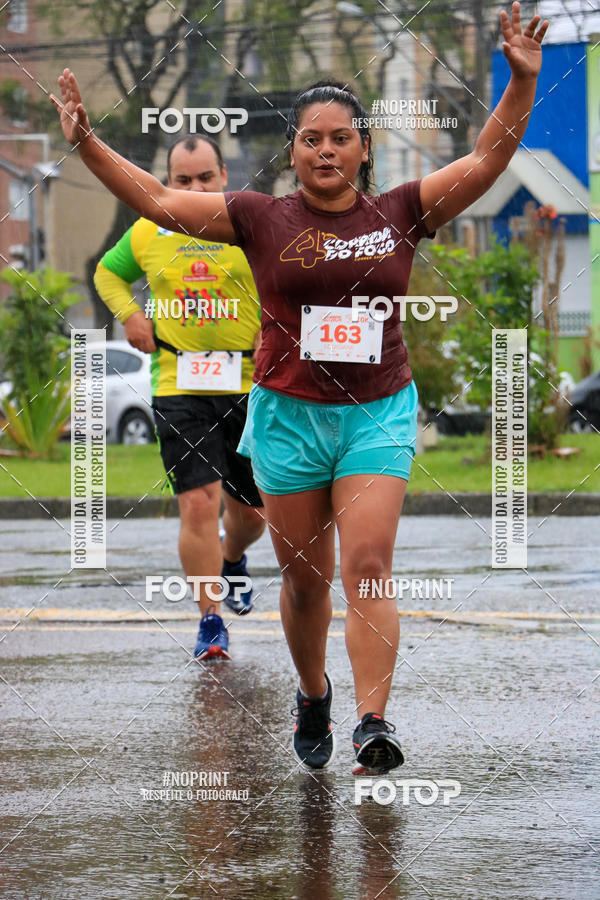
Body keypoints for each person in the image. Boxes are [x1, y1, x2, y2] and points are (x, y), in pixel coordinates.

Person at [52, 2, 547, 771]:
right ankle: (313, 692)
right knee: (305, 580)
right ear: (293, 150)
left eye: (340, 137)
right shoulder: (257, 216)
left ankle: (372, 721)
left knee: (369, 566)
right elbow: (156, 200)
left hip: (377, 411)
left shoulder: (403, 211)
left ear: (362, 148)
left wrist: (520, 82)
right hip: (285, 415)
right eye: (311, 138)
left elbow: (487, 157)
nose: (326, 149)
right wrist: (86, 142)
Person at [93, 135, 266, 661]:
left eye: (204, 178)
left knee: (253, 513)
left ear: (223, 178)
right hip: (178, 384)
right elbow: (108, 272)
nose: (194, 188)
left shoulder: (246, 226)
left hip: (248, 385)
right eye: (183, 180)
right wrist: (130, 314)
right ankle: (210, 622)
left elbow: (288, 281)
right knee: (197, 503)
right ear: (168, 182)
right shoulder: (149, 230)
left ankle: (232, 558)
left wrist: (275, 328)